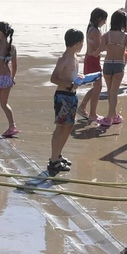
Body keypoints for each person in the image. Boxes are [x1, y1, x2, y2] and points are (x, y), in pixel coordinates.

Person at [46, 28, 82, 177]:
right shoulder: (64, 59)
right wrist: (69, 85)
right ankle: (53, 160)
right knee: (60, 127)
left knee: (69, 126)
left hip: (72, 95)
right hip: (63, 95)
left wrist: (79, 79)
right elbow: (54, 78)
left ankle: (58, 154)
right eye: (81, 43)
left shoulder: (75, 58)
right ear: (77, 43)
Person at [95, 11, 127, 130]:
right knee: (114, 92)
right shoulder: (126, 36)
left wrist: (92, 51)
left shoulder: (107, 35)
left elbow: (100, 50)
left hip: (107, 64)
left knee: (110, 91)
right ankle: (109, 117)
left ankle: (114, 115)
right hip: (118, 65)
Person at [77, 8, 108, 124]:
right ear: (99, 19)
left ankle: (83, 107)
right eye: (104, 20)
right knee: (98, 87)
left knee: (96, 87)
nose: (104, 23)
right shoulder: (96, 32)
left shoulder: (90, 29)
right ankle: (92, 113)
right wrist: (107, 44)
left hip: (89, 59)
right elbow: (97, 50)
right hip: (93, 60)